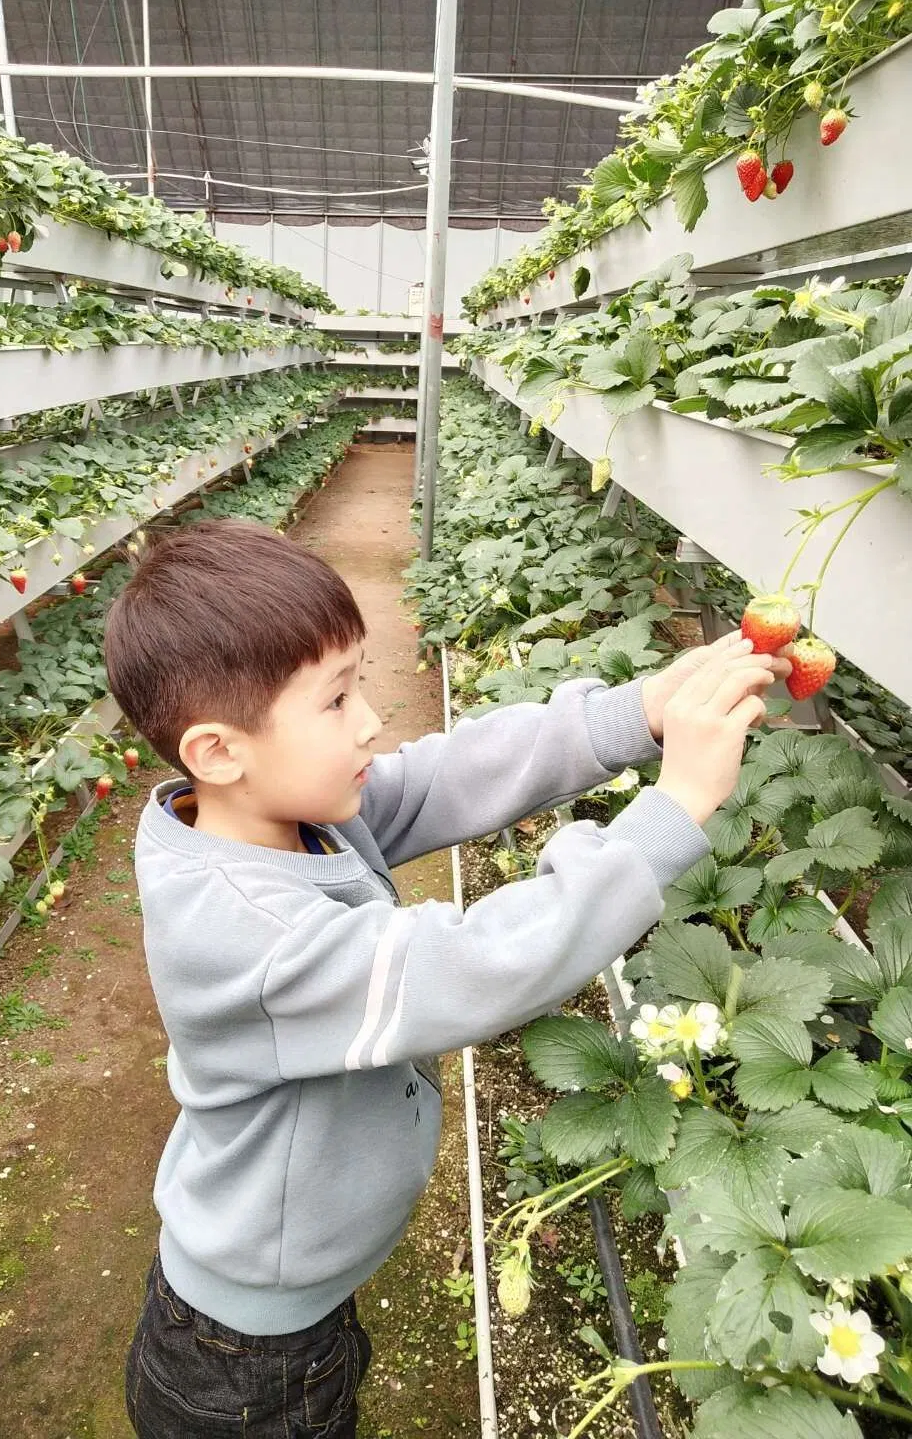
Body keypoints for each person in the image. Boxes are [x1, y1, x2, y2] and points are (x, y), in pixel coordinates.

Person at [103, 517, 789, 1439]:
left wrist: (638, 713)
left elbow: (443, 774)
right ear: (218, 751)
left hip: (290, 1293)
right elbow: (469, 965)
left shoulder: (280, 814)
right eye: (337, 700)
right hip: (243, 1360)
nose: (372, 721)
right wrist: (673, 810)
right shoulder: (249, 936)